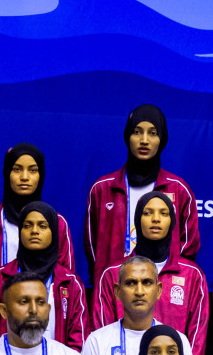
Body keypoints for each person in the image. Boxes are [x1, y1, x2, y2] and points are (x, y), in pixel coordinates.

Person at [84, 104, 200, 280]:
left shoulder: (179, 190)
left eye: (152, 133)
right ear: (127, 136)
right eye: (137, 132)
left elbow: (188, 248)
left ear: (162, 138)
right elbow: (92, 248)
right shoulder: (101, 189)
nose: (144, 140)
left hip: (164, 290)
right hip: (113, 287)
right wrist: (107, 279)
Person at [91, 191, 209, 355]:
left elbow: (197, 341)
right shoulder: (113, 274)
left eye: (164, 213)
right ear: (137, 220)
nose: (156, 219)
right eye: (147, 213)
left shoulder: (192, 275)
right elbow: (102, 334)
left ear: (172, 221)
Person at [0, 144, 75, 308]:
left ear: (41, 175)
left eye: (32, 170)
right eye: (17, 169)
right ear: (6, 173)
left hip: (43, 319)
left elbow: (66, 282)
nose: (24, 177)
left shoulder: (57, 224)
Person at [0, 202, 88, 350]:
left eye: (42, 226)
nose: (34, 231)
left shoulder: (70, 282)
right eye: (27, 225)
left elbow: (78, 342)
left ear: (54, 232)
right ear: (20, 232)